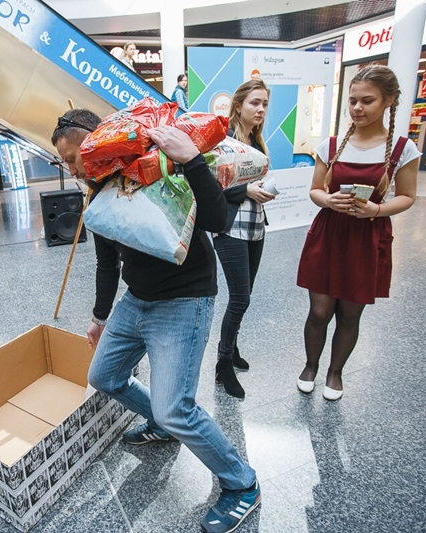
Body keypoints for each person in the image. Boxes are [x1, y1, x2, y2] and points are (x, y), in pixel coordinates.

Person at [52, 109, 261, 533]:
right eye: (64, 161)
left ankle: (242, 484)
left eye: (73, 157)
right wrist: (99, 318)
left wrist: (191, 159)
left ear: (100, 143)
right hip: (137, 299)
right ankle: (162, 426)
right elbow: (107, 263)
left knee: (176, 408)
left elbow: (218, 222)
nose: (70, 168)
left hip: (186, 299)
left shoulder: (160, 166)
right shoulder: (100, 191)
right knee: (105, 376)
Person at [296, 64, 419, 401]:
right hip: (330, 232)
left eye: (367, 101)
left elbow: (408, 196)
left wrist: (376, 210)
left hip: (367, 237)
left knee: (350, 313)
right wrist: (329, 200)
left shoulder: (402, 149)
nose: (358, 108)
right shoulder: (332, 144)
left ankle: (335, 373)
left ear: (388, 101)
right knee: (319, 310)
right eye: (352, 101)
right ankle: (310, 366)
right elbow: (315, 189)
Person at [212, 79, 275, 398]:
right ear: (238, 106)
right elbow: (211, 185)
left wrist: (266, 190)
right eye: (254, 103)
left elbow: (261, 178)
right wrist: (245, 190)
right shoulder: (223, 141)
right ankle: (223, 365)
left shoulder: (258, 141)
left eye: (264, 103)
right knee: (241, 298)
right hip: (230, 228)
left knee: (244, 293)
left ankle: (232, 348)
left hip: (256, 226)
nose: (261, 108)